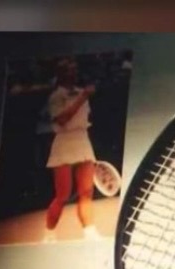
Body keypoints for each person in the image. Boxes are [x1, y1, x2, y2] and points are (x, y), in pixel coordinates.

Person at [44, 57, 97, 239]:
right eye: (69, 70)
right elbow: (62, 119)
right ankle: (49, 234)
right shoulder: (55, 97)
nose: (73, 73)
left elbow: (84, 118)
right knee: (63, 195)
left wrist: (83, 96)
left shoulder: (82, 92)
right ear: (60, 74)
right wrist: (82, 98)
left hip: (82, 139)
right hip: (64, 142)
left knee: (87, 192)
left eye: (75, 69)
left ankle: (89, 231)